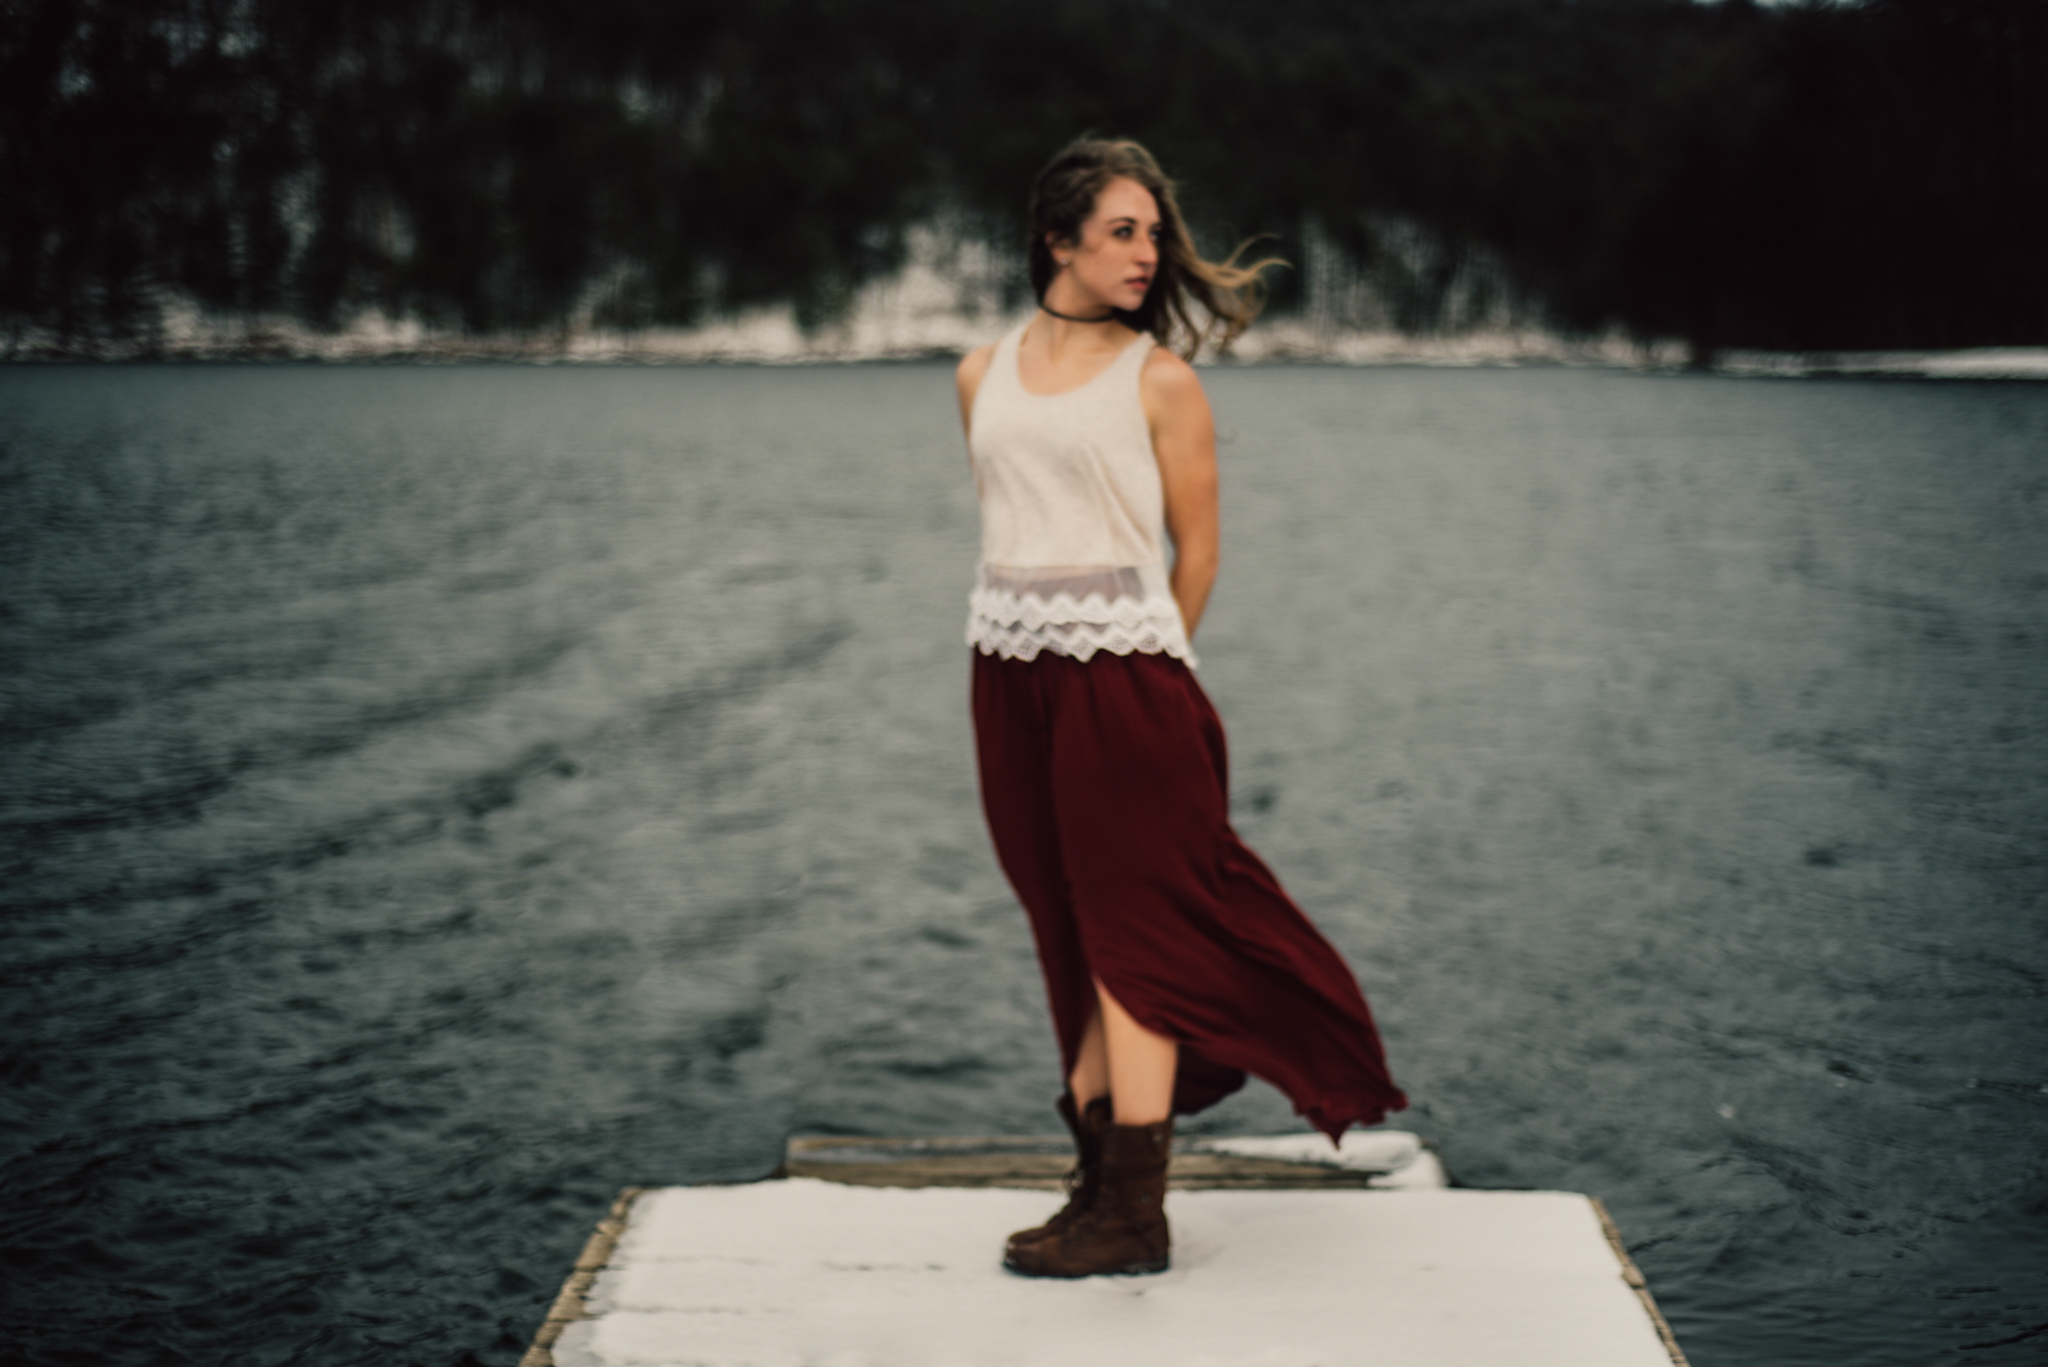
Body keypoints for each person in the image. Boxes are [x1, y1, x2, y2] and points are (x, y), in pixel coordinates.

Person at [955, 137, 1408, 1280]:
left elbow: (1195, 551)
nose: (1146, 252)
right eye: (1122, 230)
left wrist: (1141, 672)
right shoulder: (978, 372)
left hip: (1125, 682)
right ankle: (1096, 1187)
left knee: (1131, 936)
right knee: (1062, 923)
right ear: (1054, 239)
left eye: (1154, 234)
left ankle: (1133, 1215)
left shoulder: (1158, 378)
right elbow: (1017, 525)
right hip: (1006, 675)